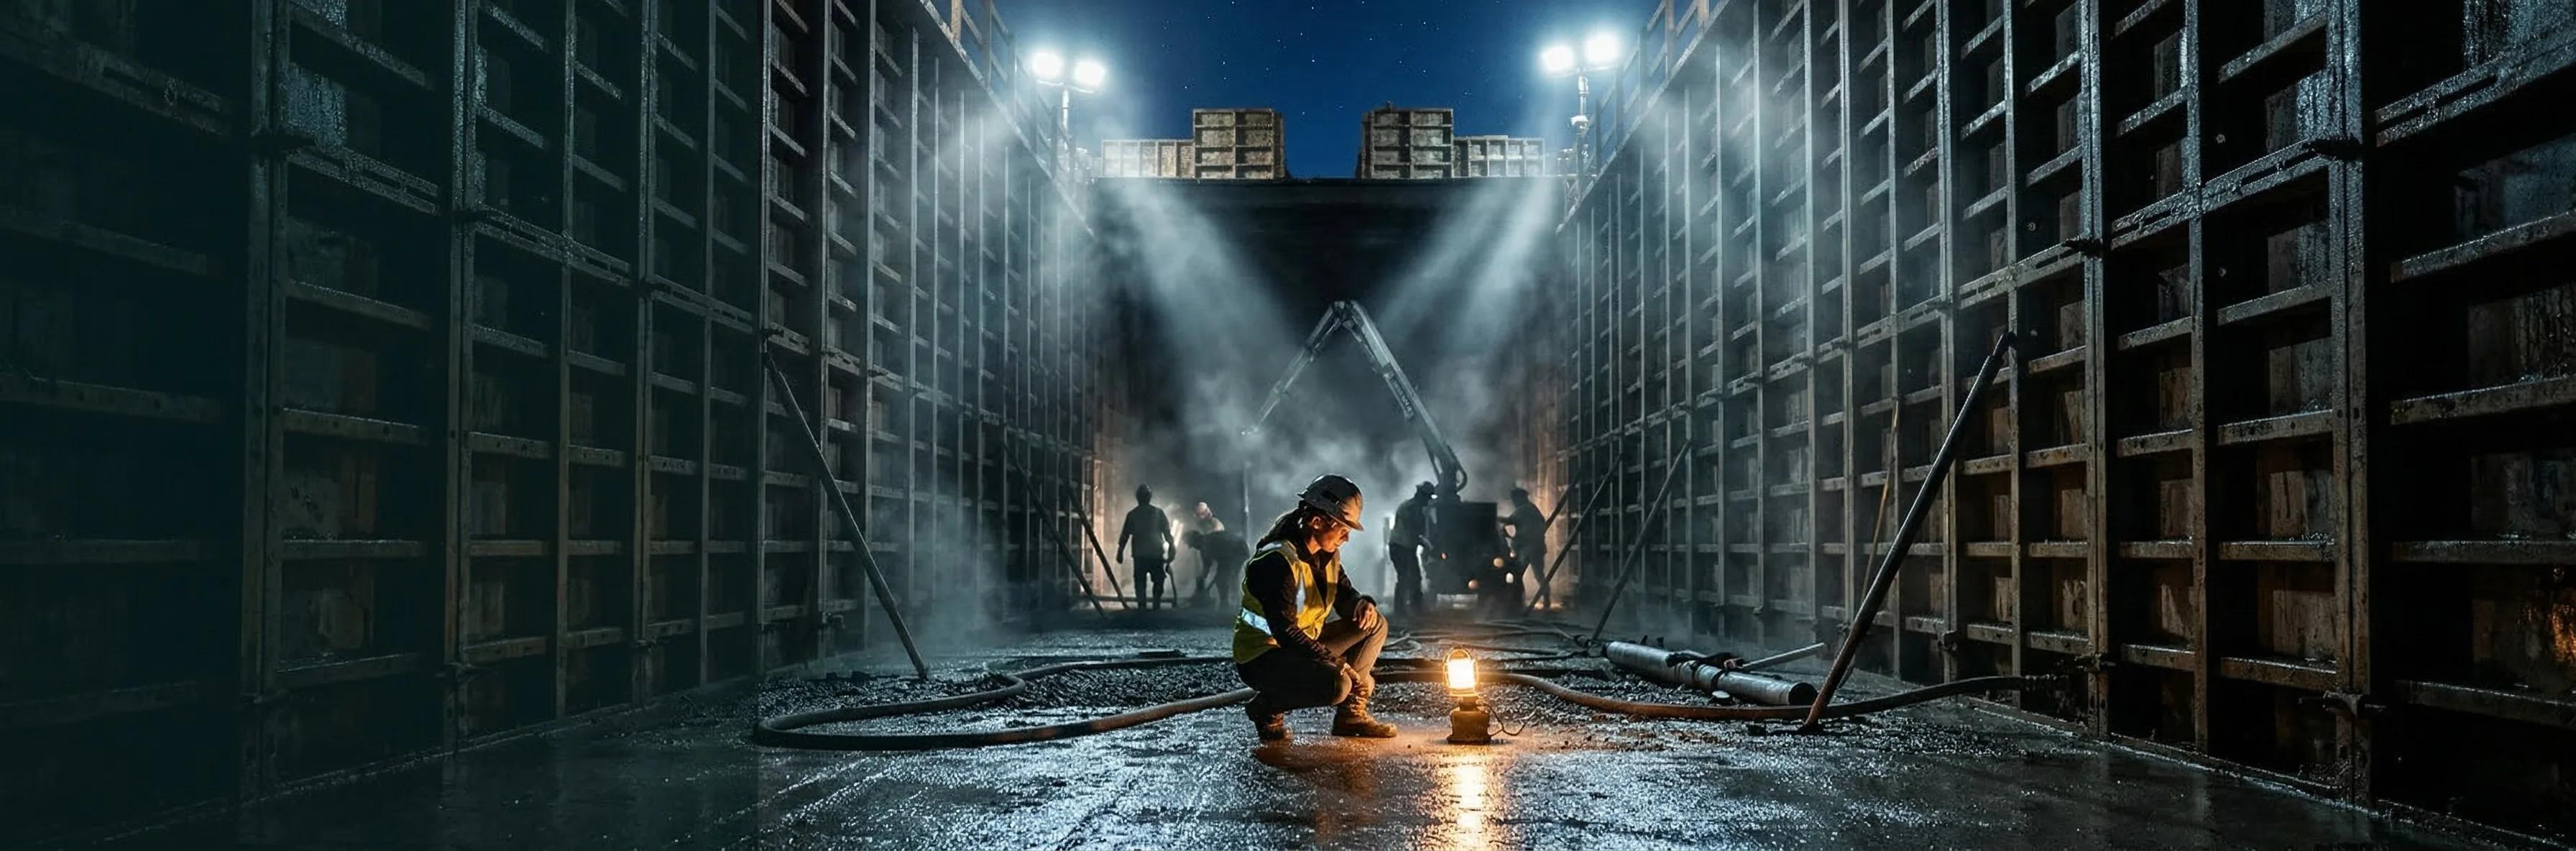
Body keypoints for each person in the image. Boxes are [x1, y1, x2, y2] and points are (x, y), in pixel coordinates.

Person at [1233, 474, 1395, 741]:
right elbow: (1285, 632)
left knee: (1375, 622)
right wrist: (1339, 665)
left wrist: (1361, 603)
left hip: (1300, 646)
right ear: (1316, 521)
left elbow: (1344, 595)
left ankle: (1351, 717)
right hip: (1264, 657)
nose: (1347, 537)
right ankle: (1267, 709)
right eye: (1343, 528)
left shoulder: (1325, 553)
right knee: (1337, 685)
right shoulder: (1278, 561)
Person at [1116, 484, 1175, 610]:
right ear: (1149, 497)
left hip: (1141, 555)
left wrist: (1120, 552)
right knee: (1157, 581)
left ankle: (1143, 607)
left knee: (1140, 582)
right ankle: (1155, 605)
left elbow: (1125, 535)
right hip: (1154, 554)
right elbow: (1167, 533)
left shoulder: (1133, 514)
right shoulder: (1157, 513)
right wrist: (1171, 548)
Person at [1184, 502, 1249, 606]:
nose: (1195, 548)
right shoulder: (1205, 543)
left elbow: (1210, 565)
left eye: (1193, 545)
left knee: (1226, 577)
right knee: (1223, 577)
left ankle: (1232, 603)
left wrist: (1204, 583)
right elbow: (1206, 568)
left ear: (1195, 542)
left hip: (1238, 551)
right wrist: (1201, 586)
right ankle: (1227, 602)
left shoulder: (1207, 542)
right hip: (1231, 553)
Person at [1387, 482, 1432, 617]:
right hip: (1400, 548)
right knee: (1405, 578)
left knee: (1415, 577)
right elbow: (1413, 529)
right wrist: (1425, 543)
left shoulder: (1415, 507)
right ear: (1422, 495)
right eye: (1428, 497)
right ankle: (1401, 611)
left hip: (1407, 548)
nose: (1428, 500)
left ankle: (1416, 609)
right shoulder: (1410, 508)